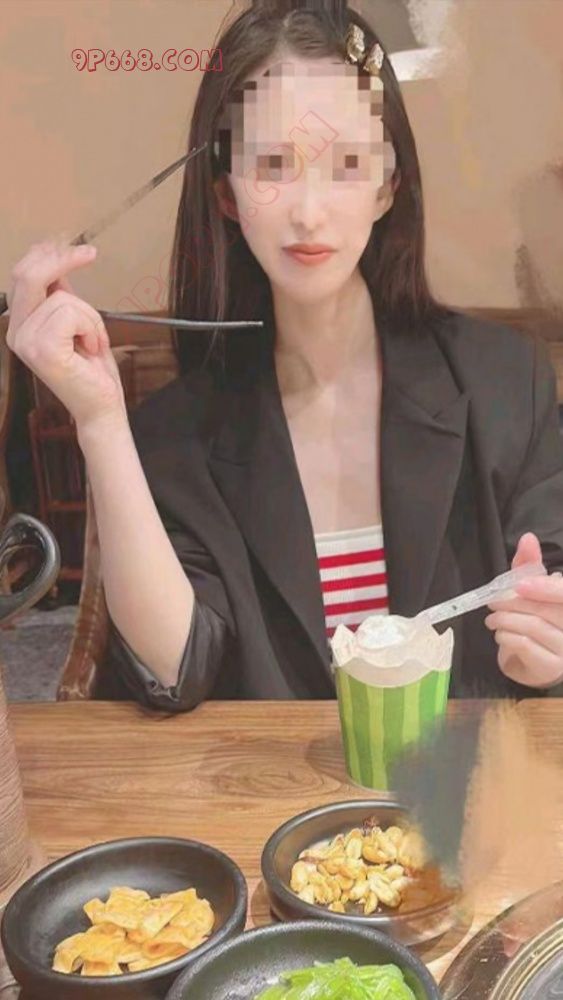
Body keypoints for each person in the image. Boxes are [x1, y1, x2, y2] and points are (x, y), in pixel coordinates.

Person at [6, 0, 563, 710]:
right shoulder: (176, 433)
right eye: (273, 165)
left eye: (346, 164)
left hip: (462, 772)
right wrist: (99, 420)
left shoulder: (504, 383)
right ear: (226, 193)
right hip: (267, 784)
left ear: (389, 185)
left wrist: (546, 653)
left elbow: (550, 583)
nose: (307, 211)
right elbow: (176, 669)